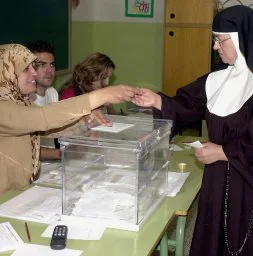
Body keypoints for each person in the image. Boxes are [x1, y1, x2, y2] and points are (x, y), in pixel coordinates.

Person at [132, 6, 253, 256]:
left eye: (220, 40)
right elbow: (187, 105)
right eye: (215, 40)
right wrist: (157, 100)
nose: (215, 47)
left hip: (247, 184)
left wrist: (224, 152)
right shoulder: (217, 78)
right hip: (217, 179)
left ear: (242, 39)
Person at [0, 44, 137, 195]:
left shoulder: (21, 102)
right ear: (7, 72)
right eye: (27, 68)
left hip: (19, 193)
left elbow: (47, 130)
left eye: (34, 67)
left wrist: (83, 120)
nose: (34, 73)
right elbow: (43, 118)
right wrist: (101, 96)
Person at [27, 40, 61, 159]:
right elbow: (23, 149)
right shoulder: (21, 99)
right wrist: (62, 154)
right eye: (42, 65)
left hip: (50, 165)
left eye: (52, 64)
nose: (49, 70)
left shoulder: (52, 92)